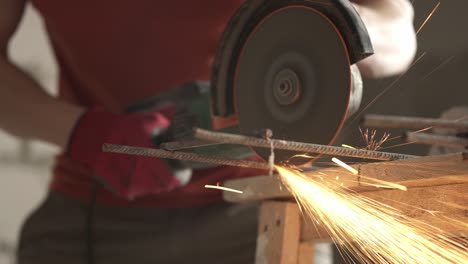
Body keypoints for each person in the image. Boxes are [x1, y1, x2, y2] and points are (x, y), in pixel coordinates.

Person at [0, 0, 417, 263]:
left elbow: (397, 31)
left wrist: (327, 17)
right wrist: (84, 133)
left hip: (260, 210)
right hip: (88, 213)